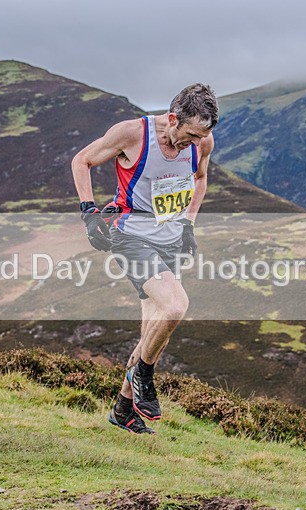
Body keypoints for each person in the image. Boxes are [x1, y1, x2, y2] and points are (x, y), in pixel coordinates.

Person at [71, 83, 218, 434]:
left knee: (155, 331)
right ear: (172, 119)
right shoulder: (132, 134)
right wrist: (89, 213)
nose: (193, 144)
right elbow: (82, 161)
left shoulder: (203, 143)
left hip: (169, 237)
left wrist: (188, 225)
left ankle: (123, 409)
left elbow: (200, 179)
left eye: (201, 137)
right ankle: (145, 377)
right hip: (130, 233)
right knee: (176, 307)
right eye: (190, 135)